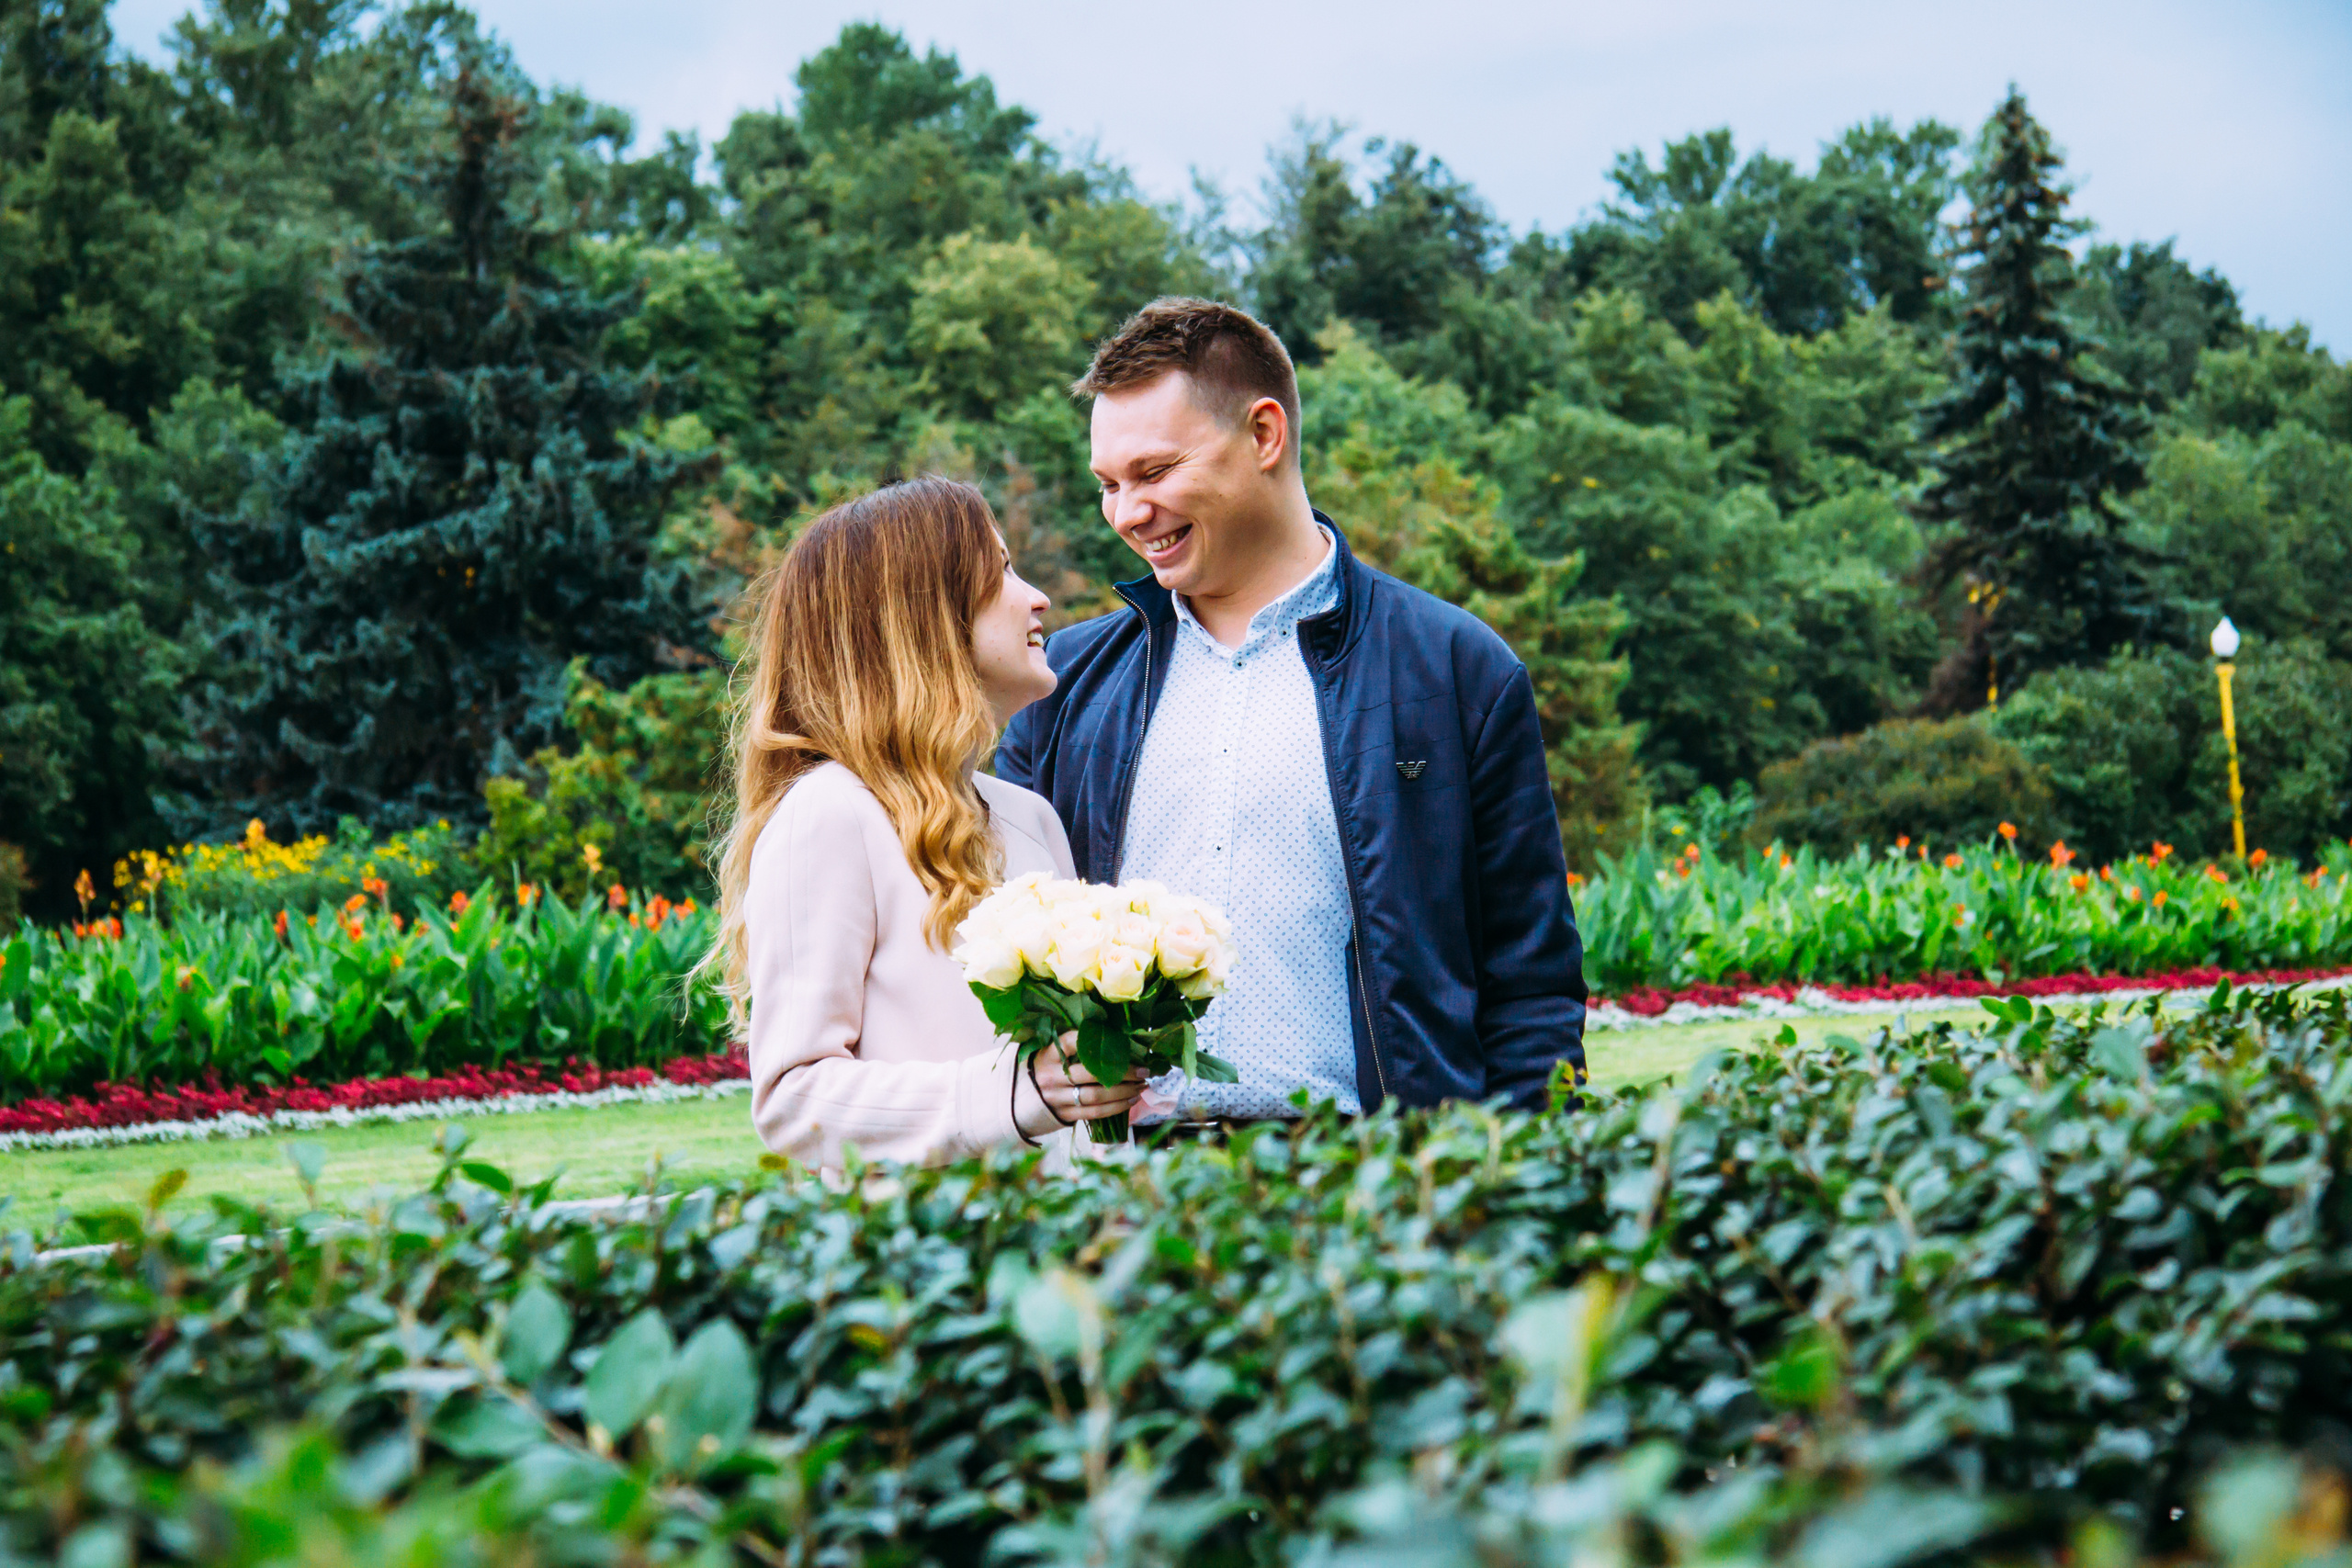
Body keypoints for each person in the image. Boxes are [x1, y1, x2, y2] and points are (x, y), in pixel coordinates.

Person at [996, 299, 1587, 1128]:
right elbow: (1000, 950)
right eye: (1109, 485)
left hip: (1371, 1187)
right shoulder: (1062, 684)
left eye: (1155, 472)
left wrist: (1518, 1193)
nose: (1127, 514)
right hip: (1116, 1199)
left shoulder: (1458, 670)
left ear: (1265, 435)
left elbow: (1530, 985)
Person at [703, 477, 1145, 1172]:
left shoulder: (1031, 817)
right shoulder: (829, 813)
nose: (1037, 596)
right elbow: (793, 1098)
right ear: (923, 616)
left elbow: (1065, 1099)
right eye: (1000, 570)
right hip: (923, 1265)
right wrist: (1016, 1093)